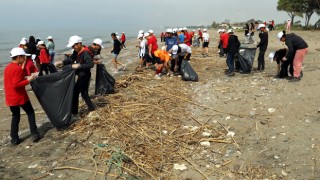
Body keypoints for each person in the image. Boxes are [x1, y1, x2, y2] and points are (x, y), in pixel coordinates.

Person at [4, 47, 41, 145]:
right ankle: (34, 134)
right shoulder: (17, 68)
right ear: (19, 57)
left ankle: (14, 139)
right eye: (23, 56)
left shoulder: (8, 67)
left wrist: (26, 77)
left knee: (15, 116)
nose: (25, 58)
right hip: (19, 97)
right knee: (30, 113)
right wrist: (29, 79)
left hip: (10, 97)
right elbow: (16, 84)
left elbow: (14, 79)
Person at [55, 35, 96, 117]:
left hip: (85, 76)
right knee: (84, 93)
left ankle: (75, 114)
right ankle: (92, 109)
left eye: (74, 45)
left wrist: (79, 65)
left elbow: (90, 64)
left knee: (75, 93)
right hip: (81, 75)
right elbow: (71, 59)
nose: (73, 47)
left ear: (79, 44)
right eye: (72, 46)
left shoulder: (85, 52)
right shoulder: (76, 51)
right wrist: (63, 62)